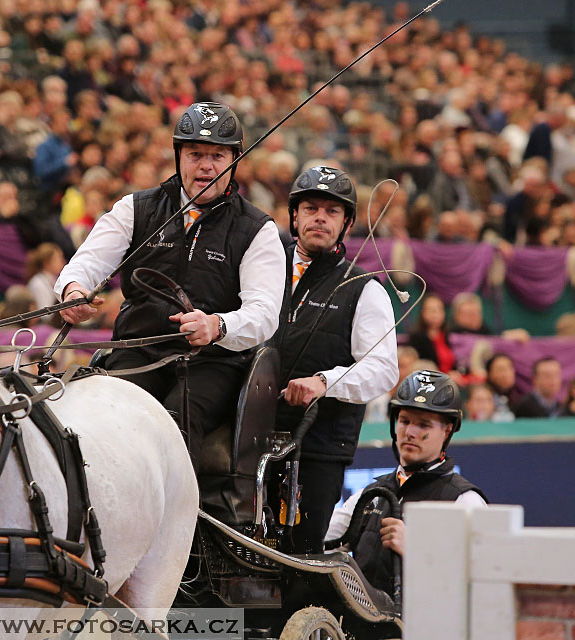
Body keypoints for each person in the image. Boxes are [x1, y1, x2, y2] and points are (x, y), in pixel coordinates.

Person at [55, 102, 286, 471]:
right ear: (179, 157)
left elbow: (263, 313)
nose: (206, 166)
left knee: (171, 427)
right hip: (137, 349)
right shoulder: (136, 208)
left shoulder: (257, 229)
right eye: (195, 154)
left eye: (217, 156)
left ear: (234, 161)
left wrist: (217, 325)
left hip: (212, 363)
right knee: (106, 420)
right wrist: (73, 290)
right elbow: (86, 263)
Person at [273, 165, 399, 553]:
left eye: (332, 212)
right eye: (311, 208)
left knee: (297, 559)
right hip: (249, 438)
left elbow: (382, 369)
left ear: (346, 223)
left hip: (318, 448)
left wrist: (325, 382)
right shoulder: (261, 270)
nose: (319, 218)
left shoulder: (364, 289)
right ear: (294, 216)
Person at [325, 370, 488, 595]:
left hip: (425, 626)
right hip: (362, 623)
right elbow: (322, 540)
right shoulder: (372, 493)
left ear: (447, 430)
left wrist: (414, 548)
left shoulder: (465, 500)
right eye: (404, 421)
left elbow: (482, 578)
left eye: (424, 425)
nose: (410, 432)